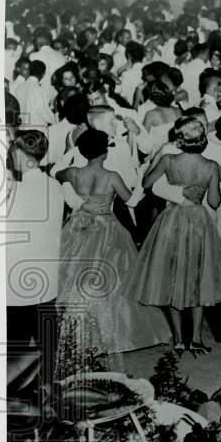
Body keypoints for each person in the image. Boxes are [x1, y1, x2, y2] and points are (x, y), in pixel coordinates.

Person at [55, 129, 171, 372]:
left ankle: (83, 334)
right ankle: (117, 334)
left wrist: (78, 200)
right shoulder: (111, 175)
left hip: (78, 226)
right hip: (107, 227)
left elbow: (57, 172)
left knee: (78, 276)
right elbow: (131, 201)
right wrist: (140, 181)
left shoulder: (74, 172)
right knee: (113, 280)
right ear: (105, 152)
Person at [128, 116, 221, 354]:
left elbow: (146, 182)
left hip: (172, 219)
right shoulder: (211, 166)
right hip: (198, 221)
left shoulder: (168, 159)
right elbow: (215, 203)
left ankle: (177, 339)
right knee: (198, 278)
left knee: (172, 278)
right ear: (203, 139)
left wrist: (176, 189)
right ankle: (195, 338)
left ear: (179, 139)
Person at [6, 130, 64, 390]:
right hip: (46, 275)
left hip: (17, 279)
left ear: (20, 154)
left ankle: (16, 399)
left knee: (15, 346)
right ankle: (49, 390)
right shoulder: (55, 186)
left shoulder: (16, 192)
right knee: (47, 341)